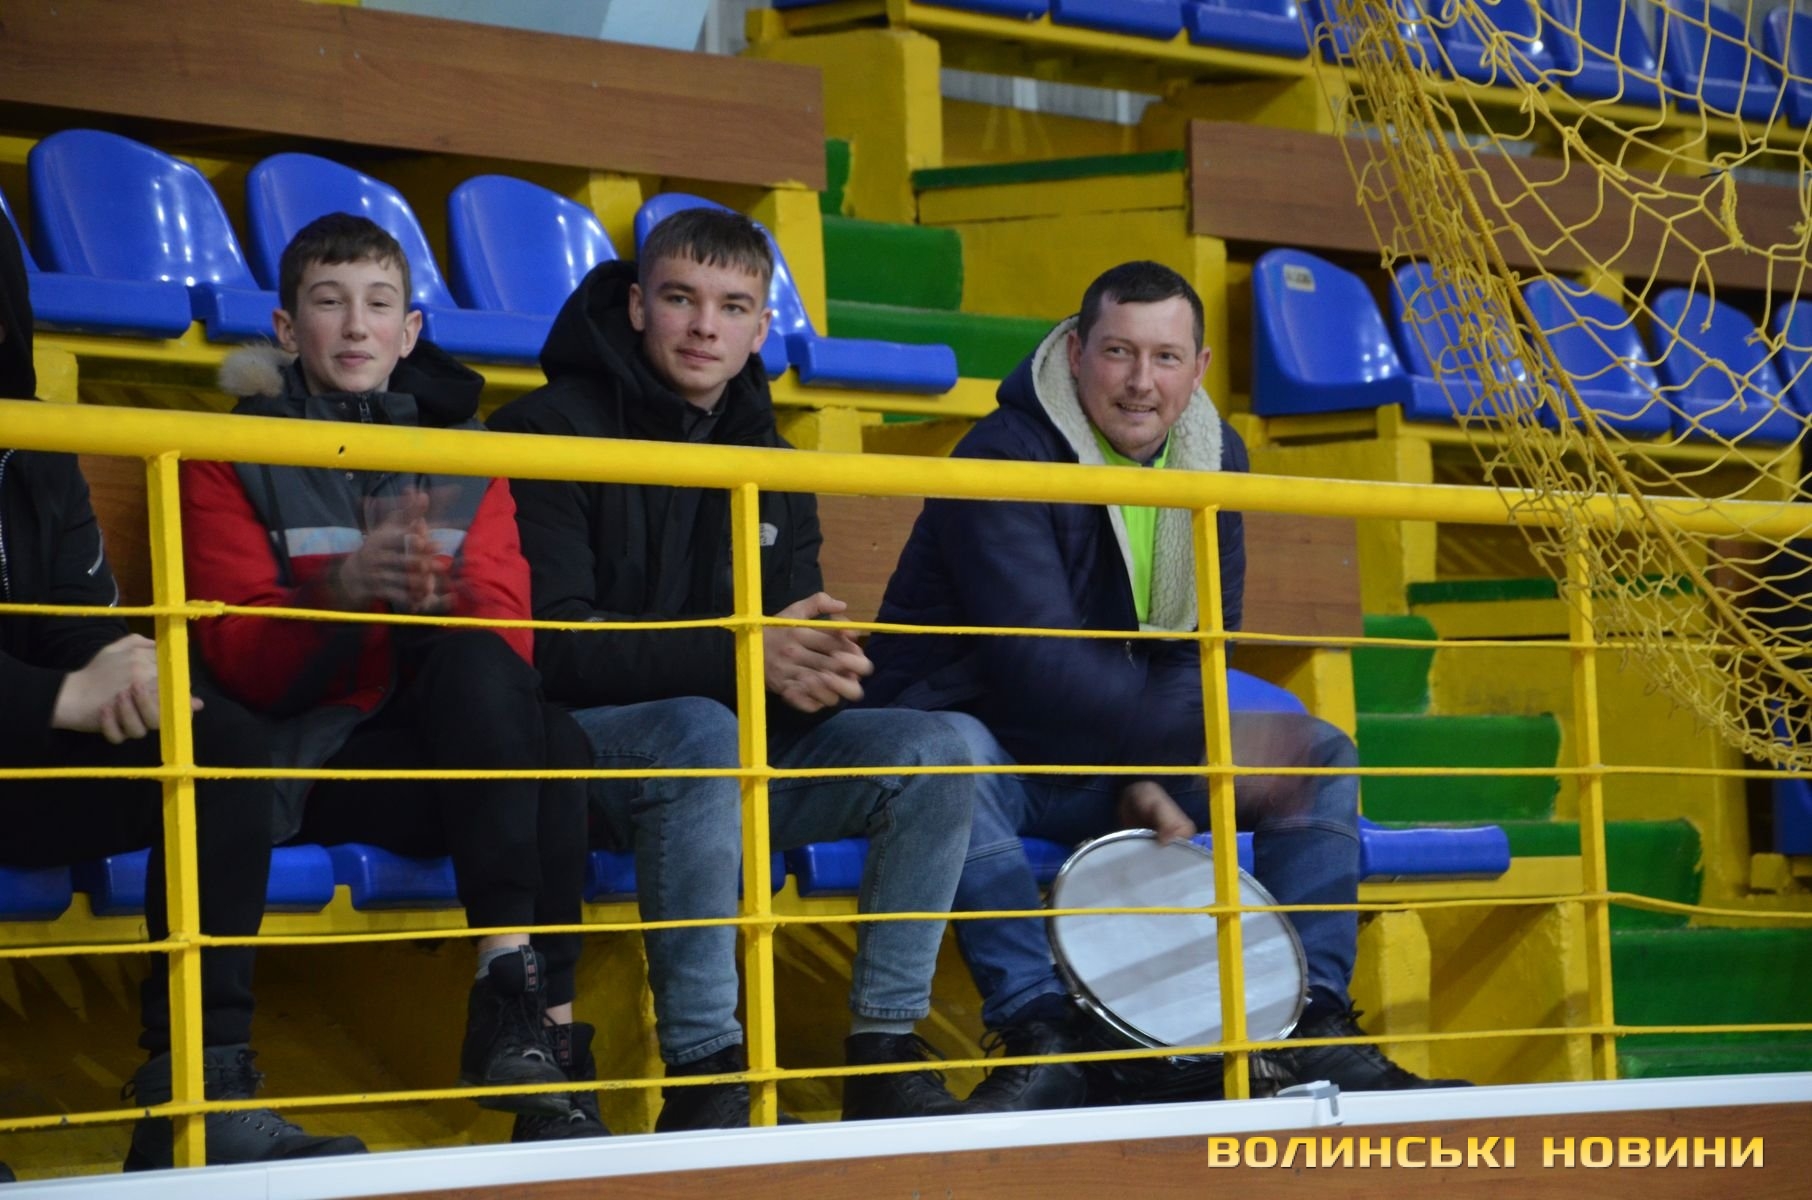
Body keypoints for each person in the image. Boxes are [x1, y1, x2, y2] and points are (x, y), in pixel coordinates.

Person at [865, 260, 1470, 1113]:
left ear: (1200, 368)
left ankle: (1307, 1027)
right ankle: (1044, 1034)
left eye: (1165, 357)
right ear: (1076, 354)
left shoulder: (1212, 457)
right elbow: (1037, 669)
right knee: (952, 757)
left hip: (1108, 757)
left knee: (1316, 755)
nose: (1141, 382)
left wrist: (1148, 773)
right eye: (1118, 352)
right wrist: (1156, 759)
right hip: (996, 744)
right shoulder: (1002, 454)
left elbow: (1195, 655)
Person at [489, 207, 977, 1128]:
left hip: (729, 753)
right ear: (638, 306)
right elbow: (550, 647)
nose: (705, 327)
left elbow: (783, 646)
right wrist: (746, 655)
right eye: (681, 299)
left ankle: (884, 1052)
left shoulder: (773, 462)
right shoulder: (541, 431)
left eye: (733, 306)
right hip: (580, 756)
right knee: (698, 729)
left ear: (761, 329)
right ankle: (708, 1072)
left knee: (934, 749)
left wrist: (815, 674)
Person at [180, 213, 601, 1142]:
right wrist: (348, 589)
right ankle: (546, 1050)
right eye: (329, 303)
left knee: (547, 729)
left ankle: (521, 1016)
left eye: (378, 305)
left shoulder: (465, 453)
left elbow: (509, 638)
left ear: (410, 332)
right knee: (550, 745)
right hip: (319, 758)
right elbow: (242, 658)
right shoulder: (225, 452)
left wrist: (430, 602)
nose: (355, 327)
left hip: (453, 746)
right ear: (287, 327)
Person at [0, 217, 364, 1169]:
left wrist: (123, 667)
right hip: (22, 720)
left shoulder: (31, 440)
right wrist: (56, 699)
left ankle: (198, 1093)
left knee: (222, 743)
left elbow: (73, 616)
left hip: (22, 759)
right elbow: (58, 678)